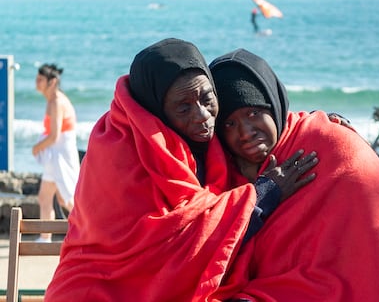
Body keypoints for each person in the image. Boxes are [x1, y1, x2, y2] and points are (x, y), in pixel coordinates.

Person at [44, 38, 317, 301]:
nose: (201, 115)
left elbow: (259, 113)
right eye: (183, 107)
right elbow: (167, 243)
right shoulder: (119, 148)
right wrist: (262, 195)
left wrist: (319, 125)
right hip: (99, 292)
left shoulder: (205, 138)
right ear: (156, 111)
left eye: (207, 98)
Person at [208, 48, 379, 301]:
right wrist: (264, 191)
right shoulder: (222, 169)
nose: (246, 132)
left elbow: (365, 243)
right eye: (229, 123)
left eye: (254, 113)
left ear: (275, 106)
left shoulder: (329, 144)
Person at [32, 63, 80, 242]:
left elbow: (54, 135)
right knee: (46, 196)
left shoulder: (57, 102)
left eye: (40, 80)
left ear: (52, 82)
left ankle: (89, 230)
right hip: (55, 156)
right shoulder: (52, 100)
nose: (37, 82)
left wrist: (36, 148)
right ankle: (45, 237)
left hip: (60, 156)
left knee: (67, 200)